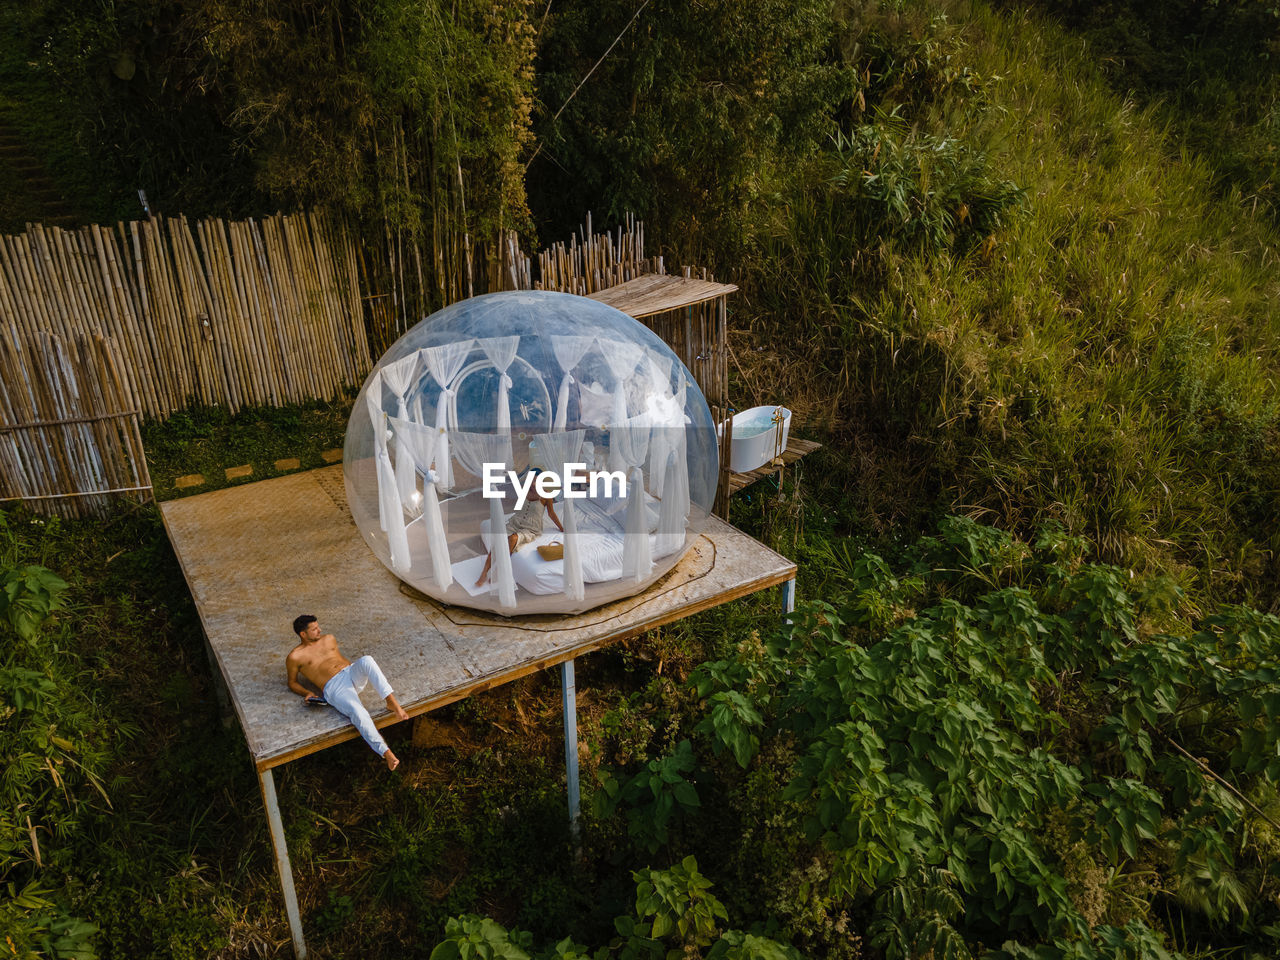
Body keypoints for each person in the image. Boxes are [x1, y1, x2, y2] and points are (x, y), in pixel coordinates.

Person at [285, 615, 410, 771]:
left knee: (367, 660)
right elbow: (292, 682)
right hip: (335, 687)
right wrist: (307, 692)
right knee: (358, 712)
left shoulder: (329, 639)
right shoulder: (295, 657)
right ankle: (387, 753)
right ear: (303, 634)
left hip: (350, 672)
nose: (320, 630)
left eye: (318, 627)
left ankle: (392, 703)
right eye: (314, 629)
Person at [475, 468, 564, 588]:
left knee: (512, 539)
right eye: (531, 480)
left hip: (531, 528)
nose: (532, 483)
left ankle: (499, 570)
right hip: (515, 522)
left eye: (535, 481)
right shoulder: (524, 489)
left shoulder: (546, 495)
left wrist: (561, 528)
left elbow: (551, 514)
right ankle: (484, 573)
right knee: (498, 543)